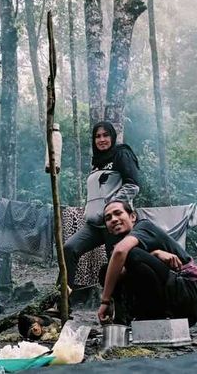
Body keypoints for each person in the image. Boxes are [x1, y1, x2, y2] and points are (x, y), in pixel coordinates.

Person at [97, 200, 197, 326]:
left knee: (131, 255)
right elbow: (121, 271)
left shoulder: (144, 226)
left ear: (133, 217)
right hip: (169, 293)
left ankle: (154, 316)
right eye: (108, 218)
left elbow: (121, 251)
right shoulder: (121, 244)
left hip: (188, 296)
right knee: (107, 271)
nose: (114, 219)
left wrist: (105, 301)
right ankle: (123, 322)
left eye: (118, 213)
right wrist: (155, 254)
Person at [63, 121, 140, 288]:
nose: (102, 139)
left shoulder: (121, 154)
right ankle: (61, 301)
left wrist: (111, 208)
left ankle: (121, 311)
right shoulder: (96, 162)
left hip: (114, 222)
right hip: (94, 225)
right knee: (69, 249)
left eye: (105, 135)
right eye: (98, 136)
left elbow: (132, 185)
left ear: (112, 136)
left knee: (117, 264)